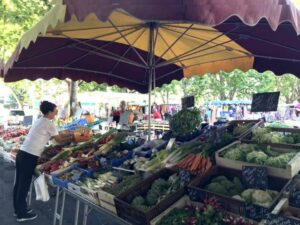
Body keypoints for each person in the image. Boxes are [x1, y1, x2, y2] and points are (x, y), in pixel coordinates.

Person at [13, 101, 74, 222]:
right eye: (55, 111)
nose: (56, 113)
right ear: (50, 112)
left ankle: (18, 209)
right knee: (23, 185)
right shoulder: (49, 123)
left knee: (19, 183)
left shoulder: (40, 120)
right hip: (29, 156)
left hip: (22, 154)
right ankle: (21, 214)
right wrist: (73, 137)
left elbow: (51, 136)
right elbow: (59, 140)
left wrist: (65, 135)